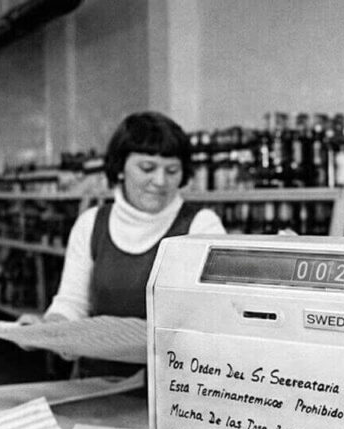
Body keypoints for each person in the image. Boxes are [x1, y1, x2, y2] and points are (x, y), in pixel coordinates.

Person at [20, 111, 225, 377]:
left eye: (172, 171)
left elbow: (220, 314)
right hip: (97, 379)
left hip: (174, 385)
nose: (160, 181)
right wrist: (48, 330)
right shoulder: (91, 224)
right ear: (120, 168)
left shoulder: (201, 226)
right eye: (147, 168)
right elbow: (72, 304)